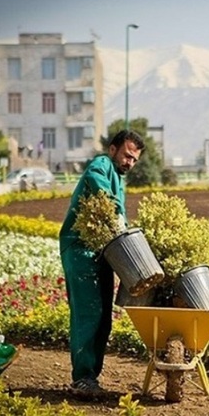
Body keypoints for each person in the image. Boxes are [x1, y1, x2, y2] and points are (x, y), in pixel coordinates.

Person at [59, 130, 145, 398]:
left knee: (103, 318)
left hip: (103, 252)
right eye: (127, 155)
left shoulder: (119, 178)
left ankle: (90, 377)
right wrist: (114, 208)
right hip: (82, 250)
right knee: (89, 314)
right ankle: (82, 378)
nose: (129, 162)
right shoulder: (102, 165)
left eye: (134, 160)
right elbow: (98, 182)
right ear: (113, 149)